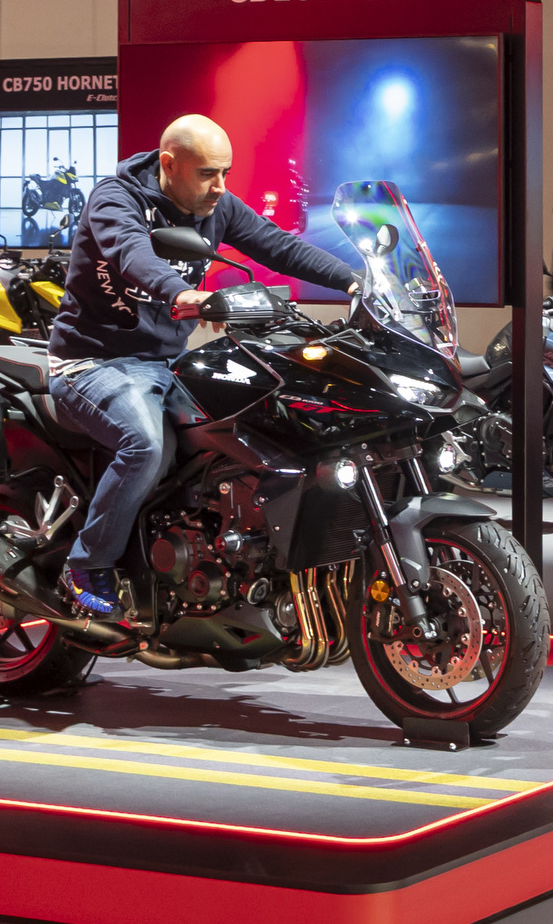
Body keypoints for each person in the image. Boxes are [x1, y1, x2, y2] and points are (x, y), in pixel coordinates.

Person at [45, 114, 359, 619]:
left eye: (226, 173)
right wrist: (181, 293)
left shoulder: (216, 205)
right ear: (169, 164)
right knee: (146, 446)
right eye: (208, 173)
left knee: (259, 417)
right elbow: (133, 254)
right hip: (95, 362)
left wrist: (354, 281)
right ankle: (86, 564)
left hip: (168, 362)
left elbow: (277, 246)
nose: (220, 187)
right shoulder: (116, 199)